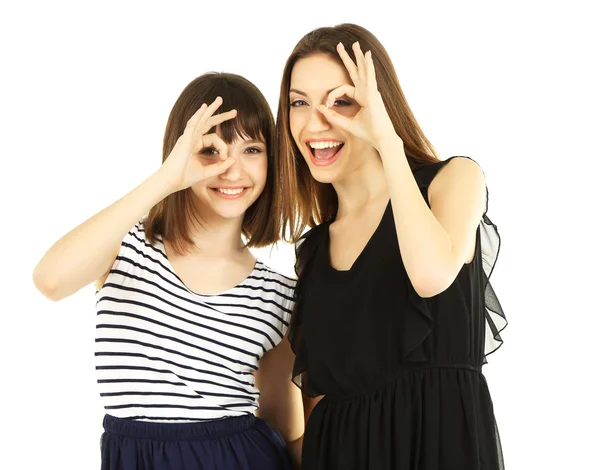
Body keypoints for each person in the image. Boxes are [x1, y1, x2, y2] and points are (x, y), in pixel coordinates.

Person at [33, 72, 304, 470]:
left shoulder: (278, 294)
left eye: (252, 149)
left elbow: (280, 423)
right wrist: (168, 178)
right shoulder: (126, 247)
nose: (231, 170)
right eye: (211, 150)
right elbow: (50, 281)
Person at [275, 23, 507, 469]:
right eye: (299, 103)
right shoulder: (314, 254)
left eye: (341, 101)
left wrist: (387, 141)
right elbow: (313, 414)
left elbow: (430, 275)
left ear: (379, 106)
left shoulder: (453, 181)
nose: (316, 122)